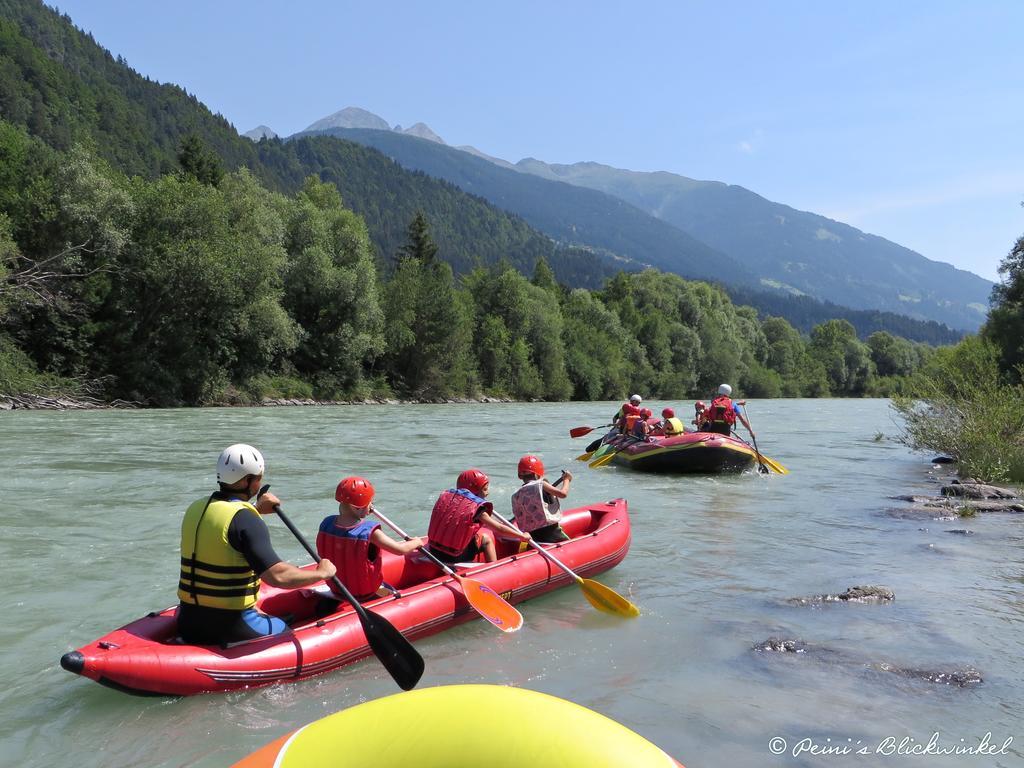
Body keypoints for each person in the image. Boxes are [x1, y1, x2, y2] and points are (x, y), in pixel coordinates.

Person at [177, 444, 337, 645]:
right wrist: (321, 573)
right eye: (259, 477)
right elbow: (277, 576)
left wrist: (256, 509)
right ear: (247, 481)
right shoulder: (246, 519)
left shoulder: (196, 508)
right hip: (229, 625)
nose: (260, 483)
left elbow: (226, 526)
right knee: (285, 631)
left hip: (188, 621)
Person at [316, 476, 425, 602]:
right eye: (369, 502)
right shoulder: (370, 533)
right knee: (395, 594)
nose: (371, 505)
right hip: (364, 594)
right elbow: (400, 550)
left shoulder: (326, 523)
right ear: (356, 507)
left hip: (337, 590)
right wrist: (416, 542)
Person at [427, 468, 529, 563]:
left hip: (433, 551)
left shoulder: (448, 499)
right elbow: (499, 529)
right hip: (453, 556)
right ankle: (493, 569)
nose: (487, 493)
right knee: (486, 539)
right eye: (485, 489)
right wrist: (521, 536)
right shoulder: (477, 508)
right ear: (475, 490)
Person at [511, 455, 573, 543]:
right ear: (538, 474)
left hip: (533, 536)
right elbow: (563, 494)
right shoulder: (542, 484)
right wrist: (566, 480)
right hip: (551, 532)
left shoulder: (516, 495)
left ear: (520, 476)